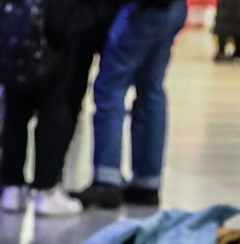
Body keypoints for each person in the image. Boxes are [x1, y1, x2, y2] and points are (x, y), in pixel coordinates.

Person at [75, 0, 188, 209]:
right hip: (173, 8)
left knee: (109, 88)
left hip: (141, 11)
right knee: (151, 90)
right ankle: (147, 182)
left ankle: (107, 178)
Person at [0, 0, 97, 217]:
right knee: (54, 109)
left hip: (17, 25)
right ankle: (46, 189)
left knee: (16, 106)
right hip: (57, 27)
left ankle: (12, 186)